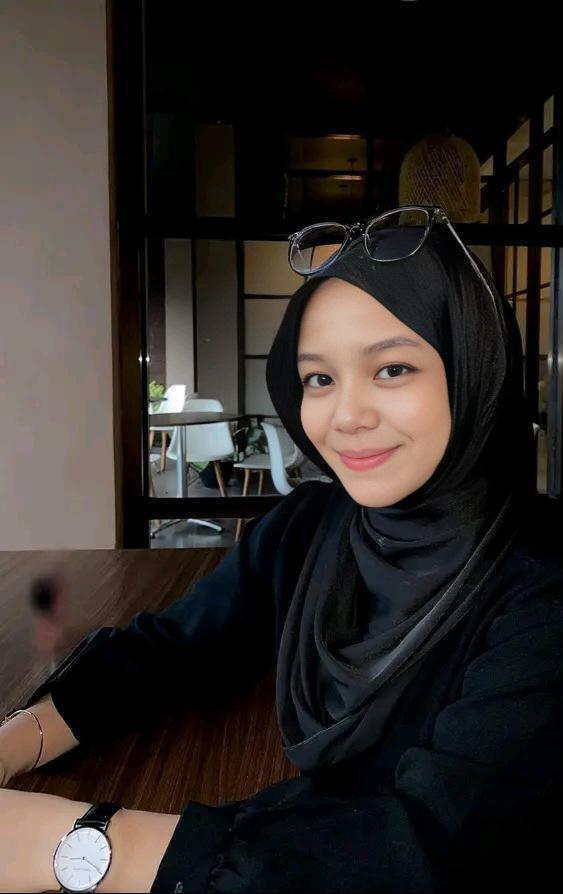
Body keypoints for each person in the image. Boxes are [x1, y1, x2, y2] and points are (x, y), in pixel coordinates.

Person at [1, 206, 562, 893]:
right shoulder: (312, 526)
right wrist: (18, 740)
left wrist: (76, 846)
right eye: (319, 379)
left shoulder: (543, 586)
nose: (345, 415)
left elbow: (429, 848)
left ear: (474, 370)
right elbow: (176, 649)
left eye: (391, 369)